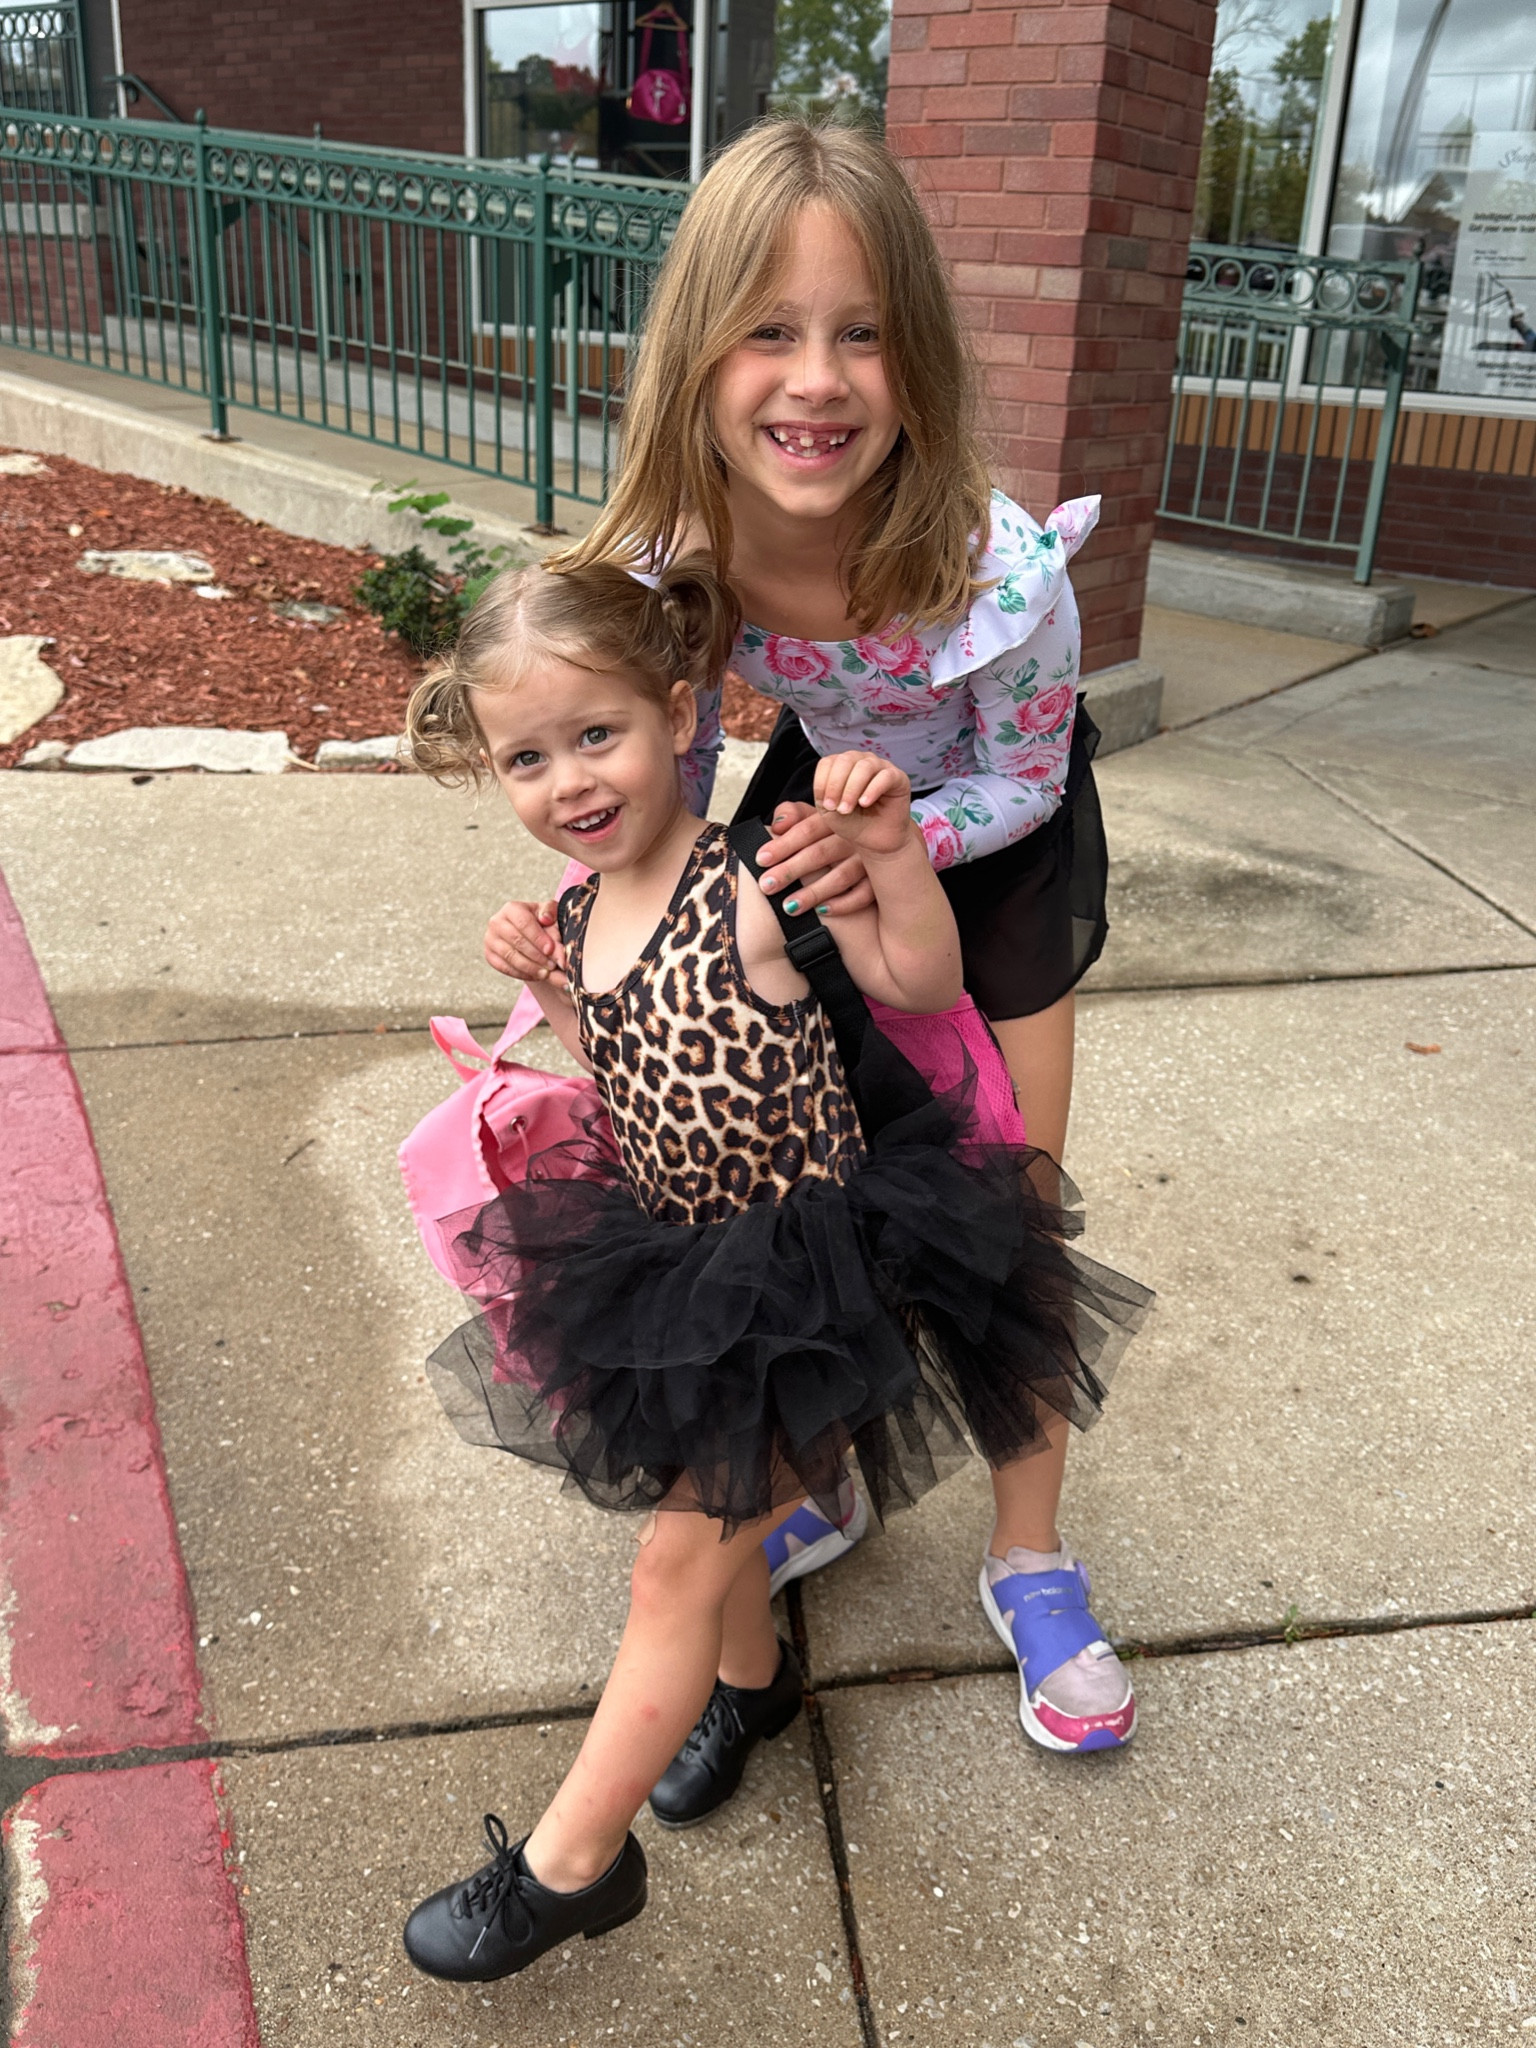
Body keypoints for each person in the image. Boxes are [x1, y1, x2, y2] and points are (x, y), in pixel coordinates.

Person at [400, 556, 1146, 1981]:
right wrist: (558, 1003)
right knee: (711, 1513)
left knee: (680, 1556)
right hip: (678, 1261)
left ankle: (571, 1867)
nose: (570, 780)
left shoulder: (751, 877)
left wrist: (893, 863)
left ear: (681, 713)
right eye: (527, 758)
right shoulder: (573, 916)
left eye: (598, 735)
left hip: (817, 1281)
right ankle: (753, 1692)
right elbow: (634, 1082)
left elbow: (920, 984)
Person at [485, 116, 1131, 1755]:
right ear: (696, 355)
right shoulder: (661, 573)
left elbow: (1028, 771)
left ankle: (1032, 1549)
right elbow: (650, 770)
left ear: (914, 359)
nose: (815, 379)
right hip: (784, 854)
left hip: (981, 848)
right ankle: (812, 1474)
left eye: (861, 333)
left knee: (1007, 1210)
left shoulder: (1001, 573)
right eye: (768, 329)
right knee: (788, 1205)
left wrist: (894, 847)